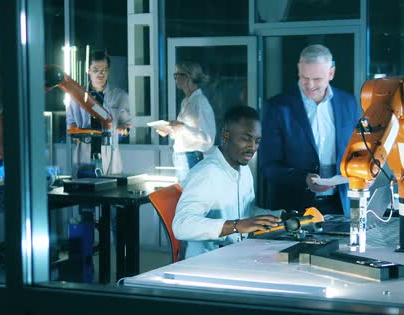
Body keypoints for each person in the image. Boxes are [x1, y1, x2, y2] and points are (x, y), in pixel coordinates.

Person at [259, 44, 361, 216]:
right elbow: (268, 166)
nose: (310, 85)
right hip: (293, 208)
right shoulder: (277, 107)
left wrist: (365, 174)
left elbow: (357, 150)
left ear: (331, 73)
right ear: (299, 70)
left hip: (340, 205)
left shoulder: (348, 102)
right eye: (305, 78)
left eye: (317, 79)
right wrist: (304, 180)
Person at [172, 106, 283, 259]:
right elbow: (181, 225)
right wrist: (235, 226)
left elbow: (245, 213)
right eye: (245, 139)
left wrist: (278, 216)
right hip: (206, 263)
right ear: (225, 136)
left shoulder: (243, 170)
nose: (253, 147)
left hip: (236, 256)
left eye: (257, 141)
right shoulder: (206, 173)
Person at [66, 50, 131, 178]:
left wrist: (124, 128)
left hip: (109, 153)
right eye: (96, 69)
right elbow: (70, 122)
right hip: (84, 153)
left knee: (110, 192)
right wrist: (74, 132)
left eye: (104, 69)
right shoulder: (77, 95)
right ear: (88, 70)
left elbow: (126, 124)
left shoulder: (120, 96)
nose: (101, 73)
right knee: (84, 192)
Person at [155, 61, 216, 184]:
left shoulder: (201, 102)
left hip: (192, 157)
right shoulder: (185, 102)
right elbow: (183, 133)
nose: (175, 78)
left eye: (178, 74)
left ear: (188, 77)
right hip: (181, 156)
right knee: (183, 194)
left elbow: (208, 138)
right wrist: (169, 131)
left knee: (191, 196)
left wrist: (182, 127)